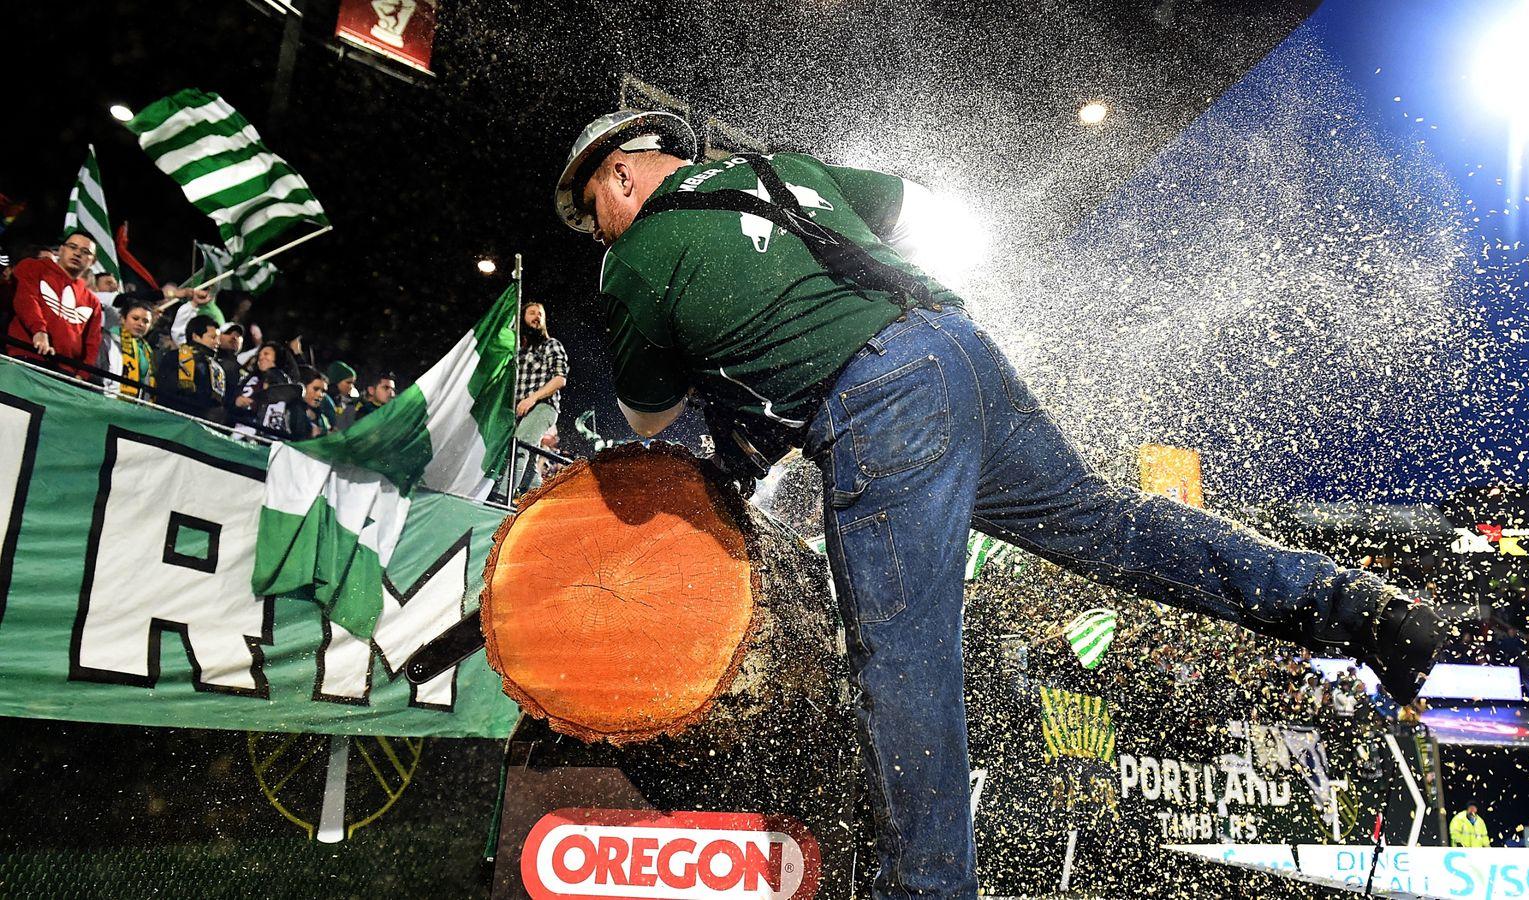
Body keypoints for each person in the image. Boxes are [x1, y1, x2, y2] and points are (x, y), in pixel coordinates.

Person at [554, 110, 1453, 897]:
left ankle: (925, 891)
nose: (599, 234)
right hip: (958, 350)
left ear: (622, 173)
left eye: (594, 213)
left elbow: (648, 411)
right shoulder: (776, 167)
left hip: (877, 408)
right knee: (1110, 524)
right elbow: (917, 209)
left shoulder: (633, 258)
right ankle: (1359, 611)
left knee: (901, 659)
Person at [5, 230, 102, 376]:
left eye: (85, 251)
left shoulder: (93, 302)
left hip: (65, 373)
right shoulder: (34, 267)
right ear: (61, 250)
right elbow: (26, 299)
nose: (77, 253)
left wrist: (83, 374)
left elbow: (92, 343)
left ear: (93, 261)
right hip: (27, 357)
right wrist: (39, 331)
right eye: (72, 247)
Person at [498, 300, 569, 497]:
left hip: (542, 406)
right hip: (519, 412)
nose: (537, 316)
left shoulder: (551, 345)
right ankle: (543, 499)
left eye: (540, 314)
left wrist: (532, 398)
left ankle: (501, 496)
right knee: (529, 464)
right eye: (531, 313)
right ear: (522, 319)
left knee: (519, 446)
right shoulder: (517, 352)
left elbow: (560, 379)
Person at [156, 316, 226, 423]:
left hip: (199, 425)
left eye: (218, 339)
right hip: (170, 420)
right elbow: (166, 390)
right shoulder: (175, 357)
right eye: (212, 337)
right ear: (196, 336)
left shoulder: (216, 368)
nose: (217, 342)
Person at [100, 297, 157, 400]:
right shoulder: (108, 340)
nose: (140, 324)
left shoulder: (147, 350)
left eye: (146, 321)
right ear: (122, 319)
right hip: (107, 399)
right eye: (135, 318)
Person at [287, 367, 332, 440]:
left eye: (323, 391)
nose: (320, 395)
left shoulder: (321, 416)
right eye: (316, 389)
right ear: (302, 387)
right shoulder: (289, 410)